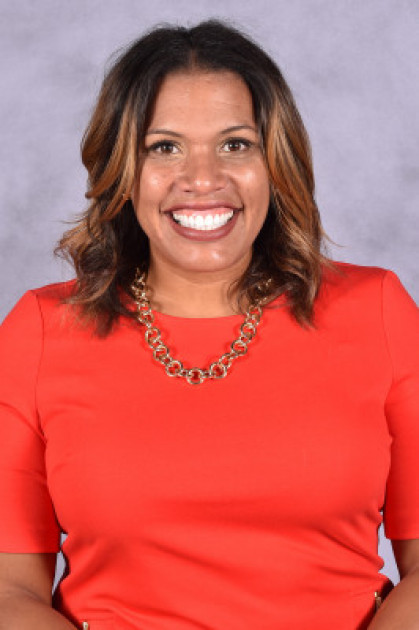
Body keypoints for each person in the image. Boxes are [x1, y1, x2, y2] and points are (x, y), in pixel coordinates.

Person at [0, 19, 418, 630]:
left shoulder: (377, 311)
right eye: (164, 147)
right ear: (122, 168)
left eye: (235, 144)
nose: (202, 179)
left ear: (275, 161)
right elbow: (10, 590)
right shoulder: (40, 333)